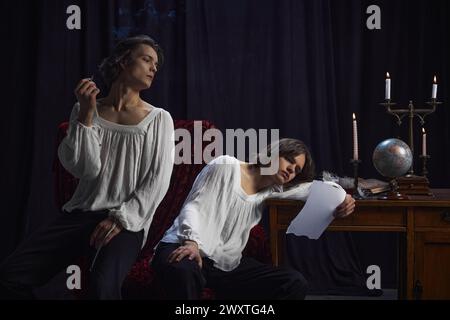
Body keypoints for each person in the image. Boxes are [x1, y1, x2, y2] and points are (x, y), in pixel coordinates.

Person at [0, 35, 174, 299]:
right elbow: (87, 169)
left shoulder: (159, 119)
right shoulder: (85, 109)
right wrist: (86, 116)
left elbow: (158, 181)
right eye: (146, 59)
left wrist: (120, 219)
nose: (153, 68)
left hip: (126, 221)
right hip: (80, 215)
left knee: (103, 288)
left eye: (156, 66)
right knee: (10, 276)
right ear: (123, 61)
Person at [152, 139, 355, 299]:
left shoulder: (270, 192)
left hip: (225, 266)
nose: (291, 170)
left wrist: (342, 196)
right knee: (183, 271)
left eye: (297, 170)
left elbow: (311, 188)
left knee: (294, 282)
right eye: (289, 160)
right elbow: (194, 206)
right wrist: (192, 243)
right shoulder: (226, 165)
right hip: (184, 246)